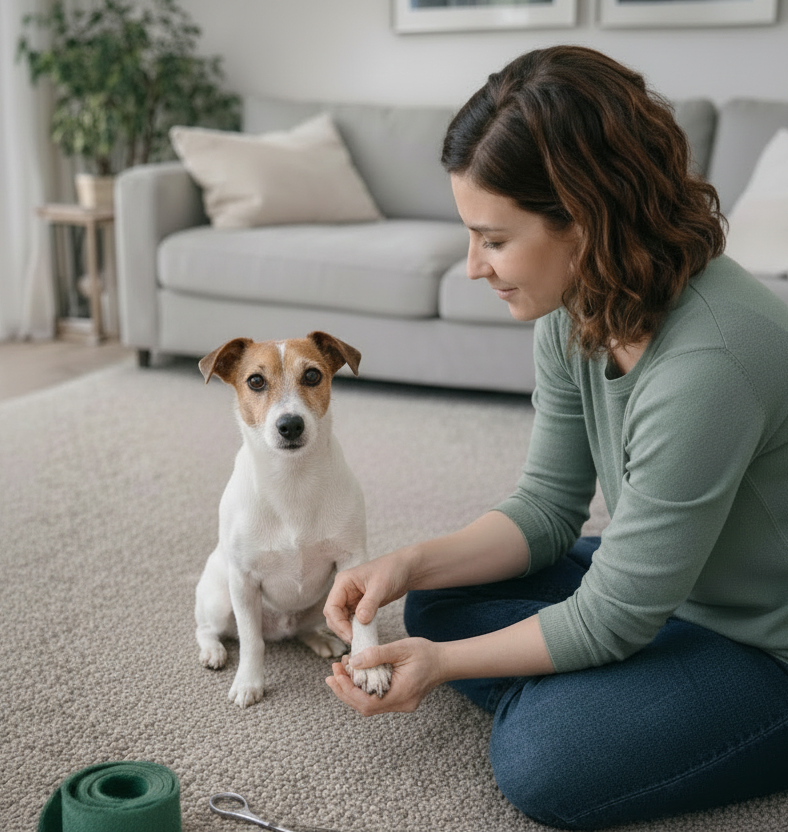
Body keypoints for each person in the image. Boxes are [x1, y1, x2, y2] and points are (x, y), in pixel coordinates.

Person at [323, 45, 788, 830]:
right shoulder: (578, 308)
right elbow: (546, 507)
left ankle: (603, 700)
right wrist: (406, 563)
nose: (473, 267)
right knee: (434, 596)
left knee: (544, 758)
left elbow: (615, 616)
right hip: (671, 583)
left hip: (764, 643)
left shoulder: (714, 361)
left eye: (494, 239)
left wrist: (443, 667)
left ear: (584, 220)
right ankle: (606, 685)